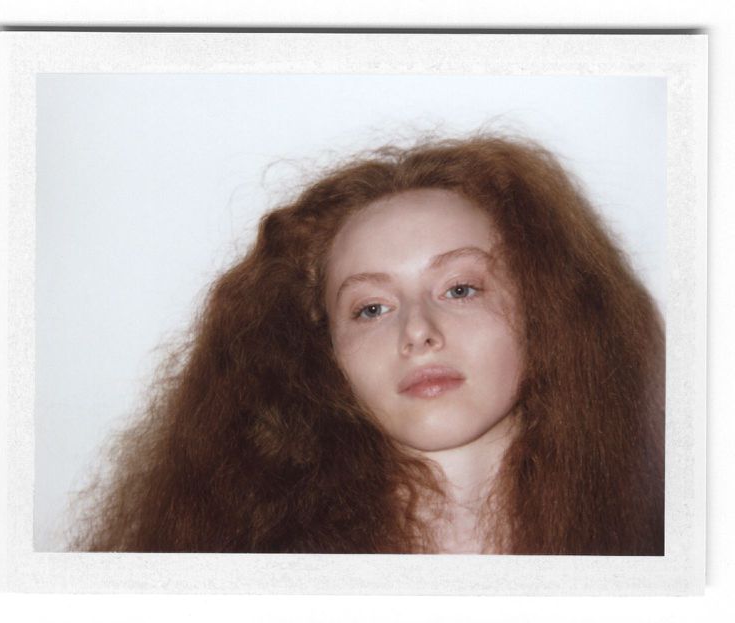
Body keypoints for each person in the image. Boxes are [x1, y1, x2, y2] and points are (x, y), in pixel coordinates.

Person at [73, 133, 665, 555]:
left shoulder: (669, 538)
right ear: (321, 350)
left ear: (546, 308)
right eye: (371, 308)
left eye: (460, 289)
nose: (418, 332)